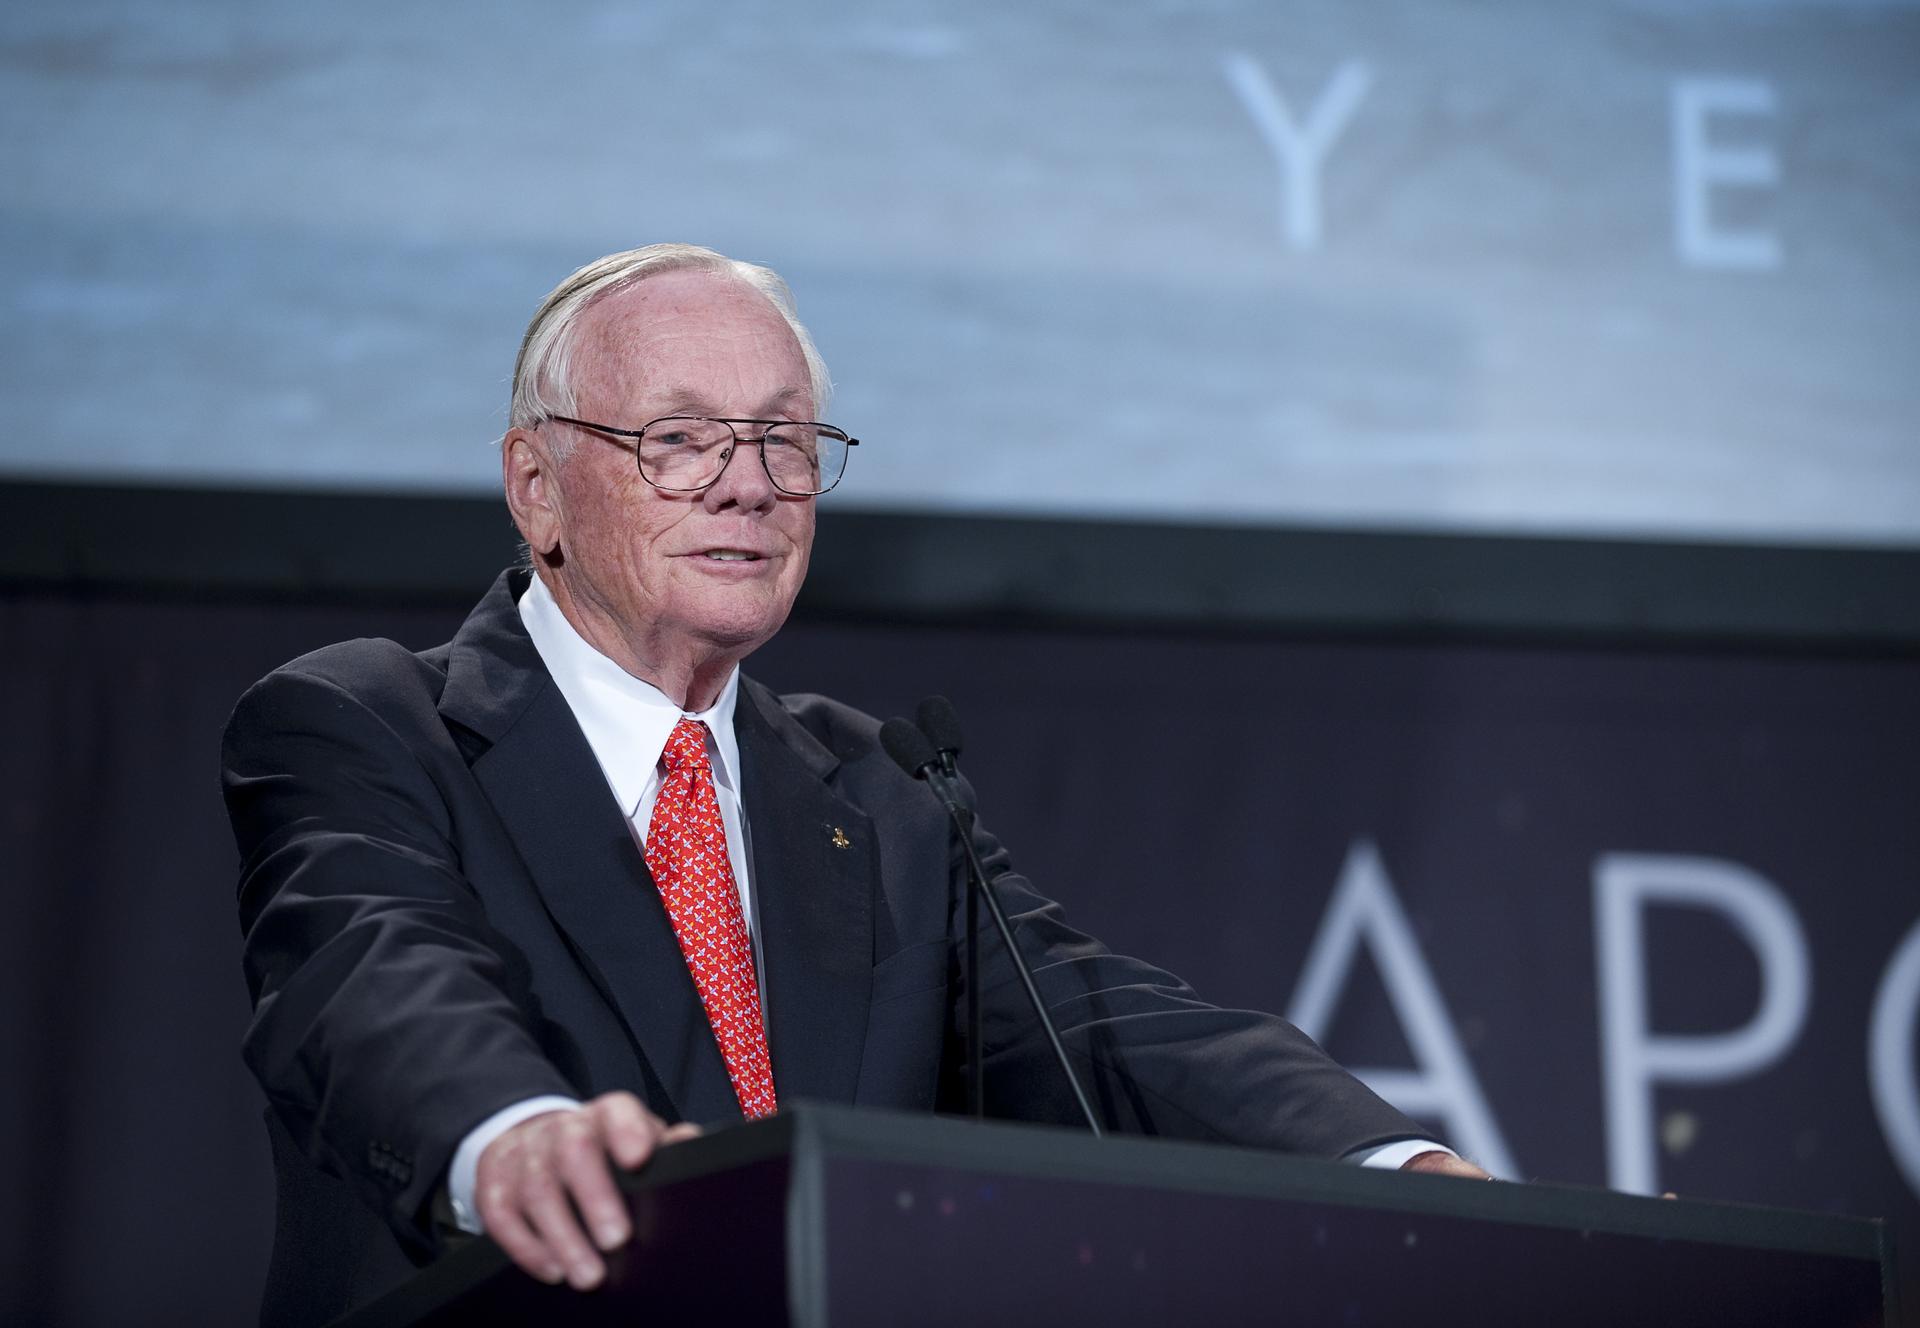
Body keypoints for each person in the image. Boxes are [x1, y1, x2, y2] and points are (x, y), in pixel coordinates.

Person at [223, 243, 1487, 1326]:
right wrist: (510, 1131)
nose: (750, 481)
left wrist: (1394, 1164)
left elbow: (1104, 1029)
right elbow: (374, 977)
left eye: (783, 437)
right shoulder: (369, 721)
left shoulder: (875, 790)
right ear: (537, 487)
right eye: (679, 439)